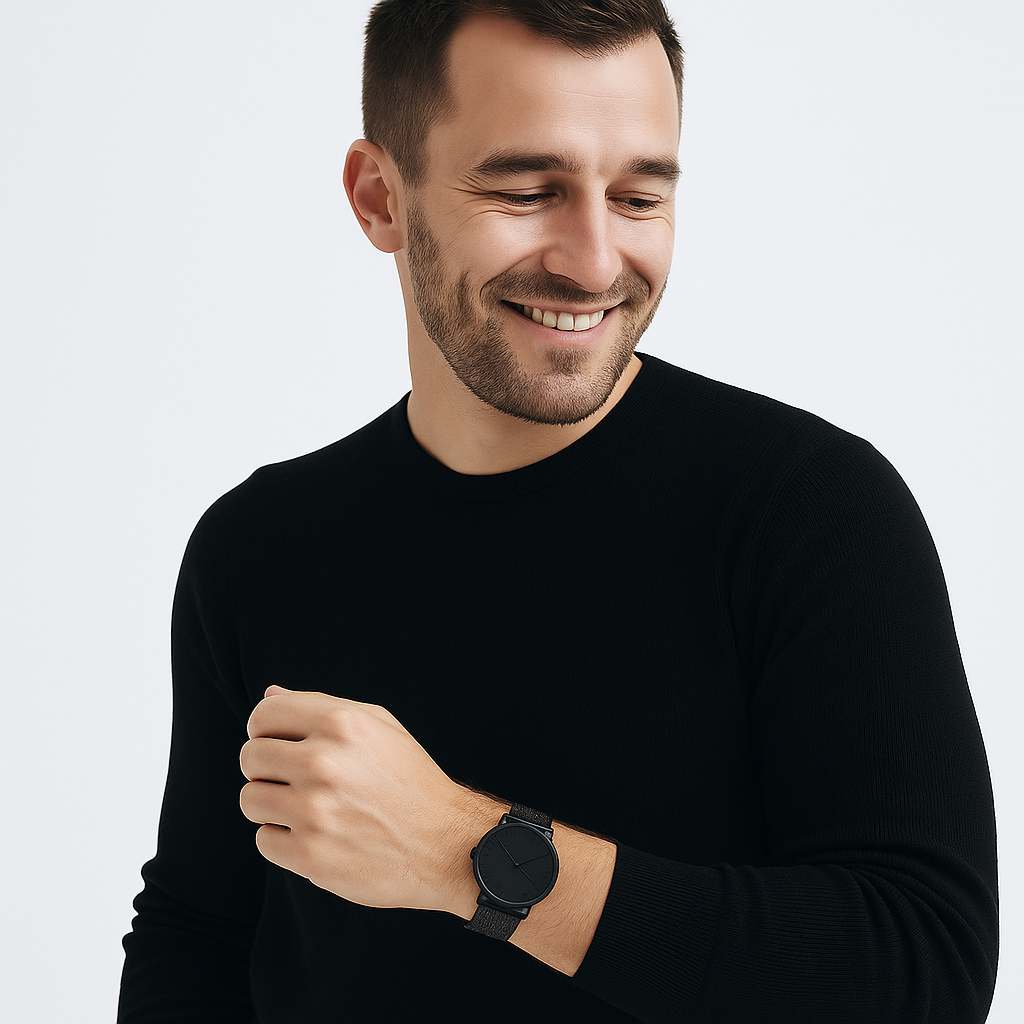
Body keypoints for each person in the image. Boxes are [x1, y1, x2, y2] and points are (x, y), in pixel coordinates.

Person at [117, 2, 999, 1021]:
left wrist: (462, 851)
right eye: (528, 191)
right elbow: (199, 934)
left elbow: (922, 967)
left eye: (638, 197)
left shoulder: (810, 512)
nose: (594, 262)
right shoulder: (258, 547)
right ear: (379, 198)